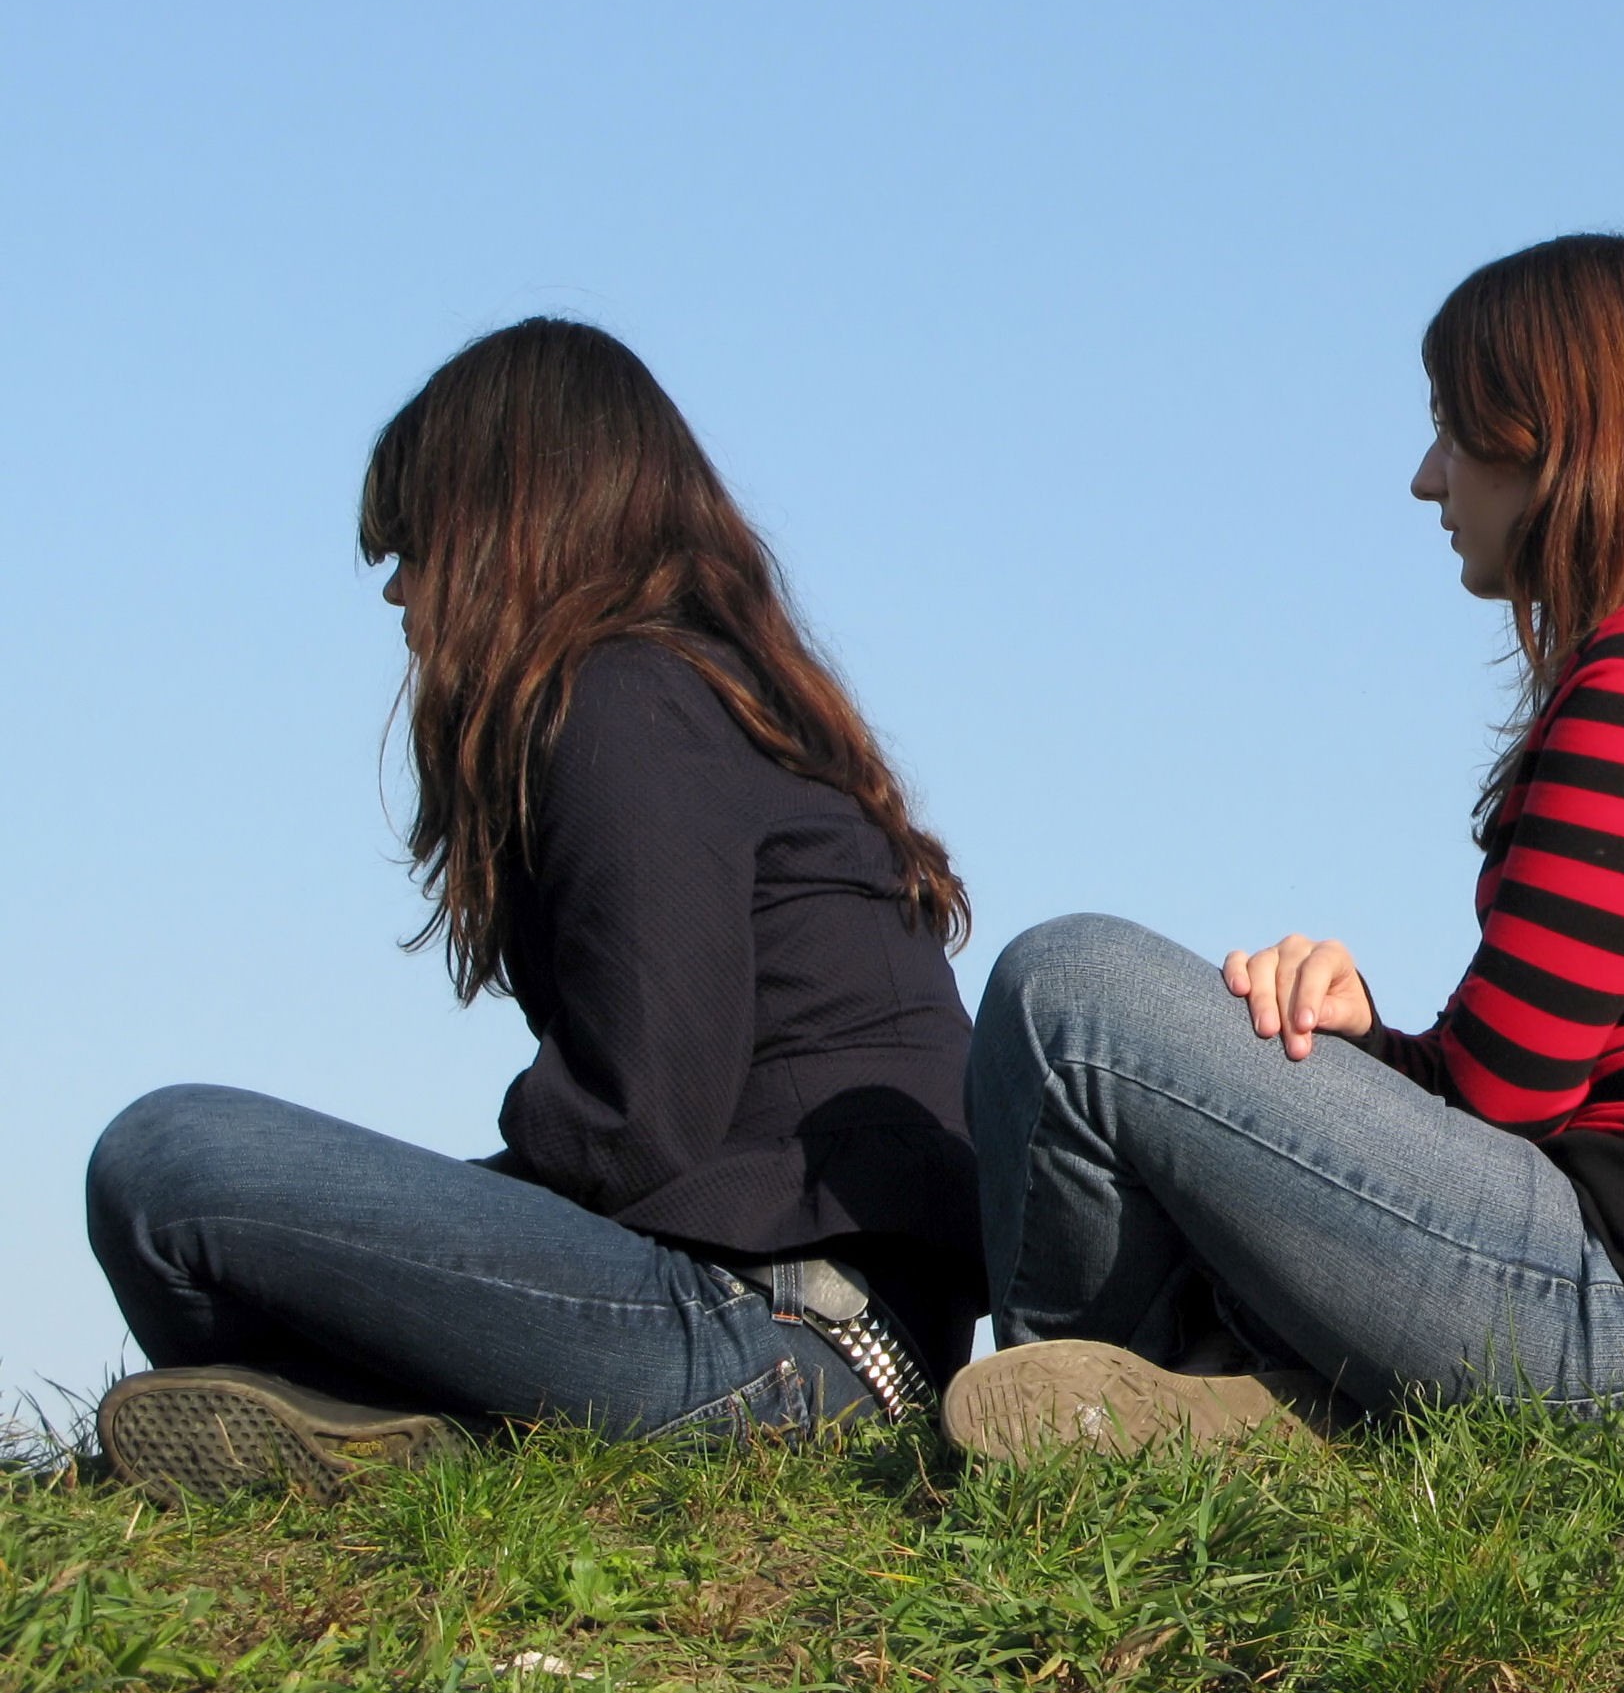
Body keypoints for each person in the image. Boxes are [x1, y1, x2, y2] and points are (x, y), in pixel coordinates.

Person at [945, 234, 1624, 1457]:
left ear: (1557, 433)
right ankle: (1239, 1419)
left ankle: (1116, 1409)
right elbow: (1528, 1080)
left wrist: (1380, 1072)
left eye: (1454, 427)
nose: (1428, 478)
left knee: (1071, 994)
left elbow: (1505, 1097)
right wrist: (1369, 1035)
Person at [86, 319, 982, 1504]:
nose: (400, 590)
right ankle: (413, 1434)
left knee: (168, 1162)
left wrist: (448, 1212)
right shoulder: (705, 698)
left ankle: (385, 1407)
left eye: (413, 544)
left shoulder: (631, 698)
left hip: (785, 1347)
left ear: (510, 526)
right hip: (817, 1333)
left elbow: (635, 1120)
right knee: (251, 1244)